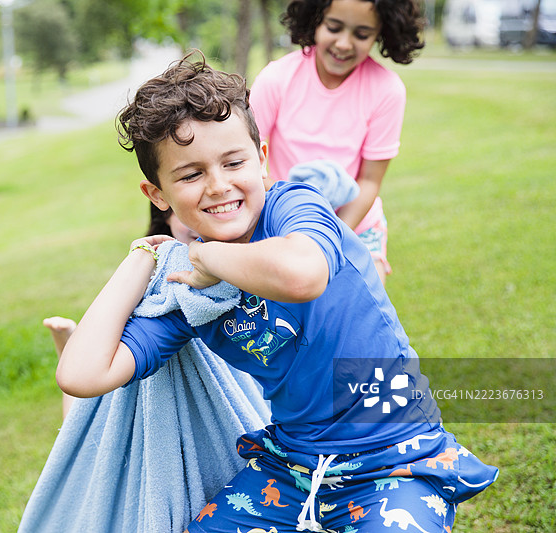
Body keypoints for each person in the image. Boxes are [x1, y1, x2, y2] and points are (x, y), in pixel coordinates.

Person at [55, 53, 497, 532]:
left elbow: (301, 276)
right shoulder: (190, 293)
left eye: (233, 162)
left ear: (262, 159)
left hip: (396, 458)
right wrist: (144, 256)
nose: (219, 185)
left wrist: (206, 256)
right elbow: (81, 374)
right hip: (290, 472)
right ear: (158, 195)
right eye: (190, 174)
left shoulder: (293, 209)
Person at [249, 0, 426, 284]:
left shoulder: (387, 90)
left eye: (362, 34)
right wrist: (295, 226)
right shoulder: (277, 78)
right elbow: (247, 162)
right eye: (334, 27)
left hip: (354, 226)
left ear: (382, 32)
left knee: (362, 314)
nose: (344, 44)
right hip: (283, 221)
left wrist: (330, 238)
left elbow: (369, 181)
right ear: (315, 19)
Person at [44, 205, 198, 419]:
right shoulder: (165, 298)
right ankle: (68, 345)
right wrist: (142, 257)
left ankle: (71, 343)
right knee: (91, 419)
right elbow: (81, 376)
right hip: (136, 358)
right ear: (165, 214)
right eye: (184, 211)